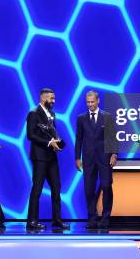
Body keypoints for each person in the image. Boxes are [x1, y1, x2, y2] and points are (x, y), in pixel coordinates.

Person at [26, 88, 69, 230]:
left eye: (54, 98)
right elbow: (31, 135)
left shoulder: (52, 114)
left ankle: (57, 221)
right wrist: (48, 142)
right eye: (51, 98)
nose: (54, 101)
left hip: (52, 156)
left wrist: (57, 142)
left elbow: (52, 132)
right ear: (43, 98)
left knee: (56, 188)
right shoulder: (33, 113)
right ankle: (32, 222)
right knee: (37, 189)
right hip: (39, 157)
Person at [75, 90, 118, 229]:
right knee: (89, 189)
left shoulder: (107, 117)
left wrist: (114, 154)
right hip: (88, 159)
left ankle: (105, 218)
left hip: (104, 158)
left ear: (98, 101)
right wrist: (77, 157)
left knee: (106, 186)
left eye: (92, 102)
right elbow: (79, 139)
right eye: (88, 102)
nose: (90, 104)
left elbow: (112, 137)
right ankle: (92, 218)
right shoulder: (81, 118)